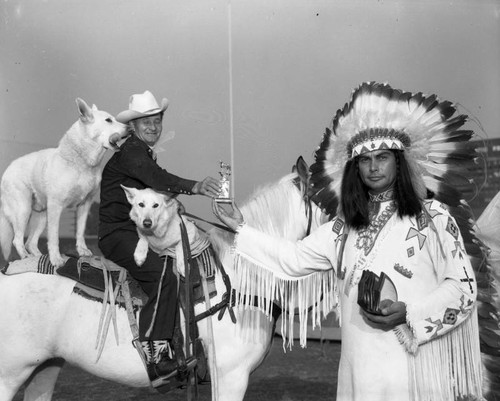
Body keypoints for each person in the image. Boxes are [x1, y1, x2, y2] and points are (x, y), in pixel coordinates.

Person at [213, 82, 483, 400]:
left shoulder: (434, 218)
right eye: (365, 160)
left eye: (382, 157)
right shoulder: (343, 228)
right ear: (355, 168)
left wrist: (408, 312)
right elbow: (294, 257)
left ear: (399, 161)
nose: (373, 167)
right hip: (358, 378)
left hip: (413, 373)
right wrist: (241, 227)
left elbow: (463, 289)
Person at [98, 90, 220, 386]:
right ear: (135, 127)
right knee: (166, 277)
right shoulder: (132, 153)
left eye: (157, 122)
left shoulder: (141, 152)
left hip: (141, 232)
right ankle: (154, 354)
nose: (152, 127)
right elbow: (157, 178)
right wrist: (197, 186)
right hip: (119, 234)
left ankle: (186, 348)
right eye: (146, 123)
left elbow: (157, 182)